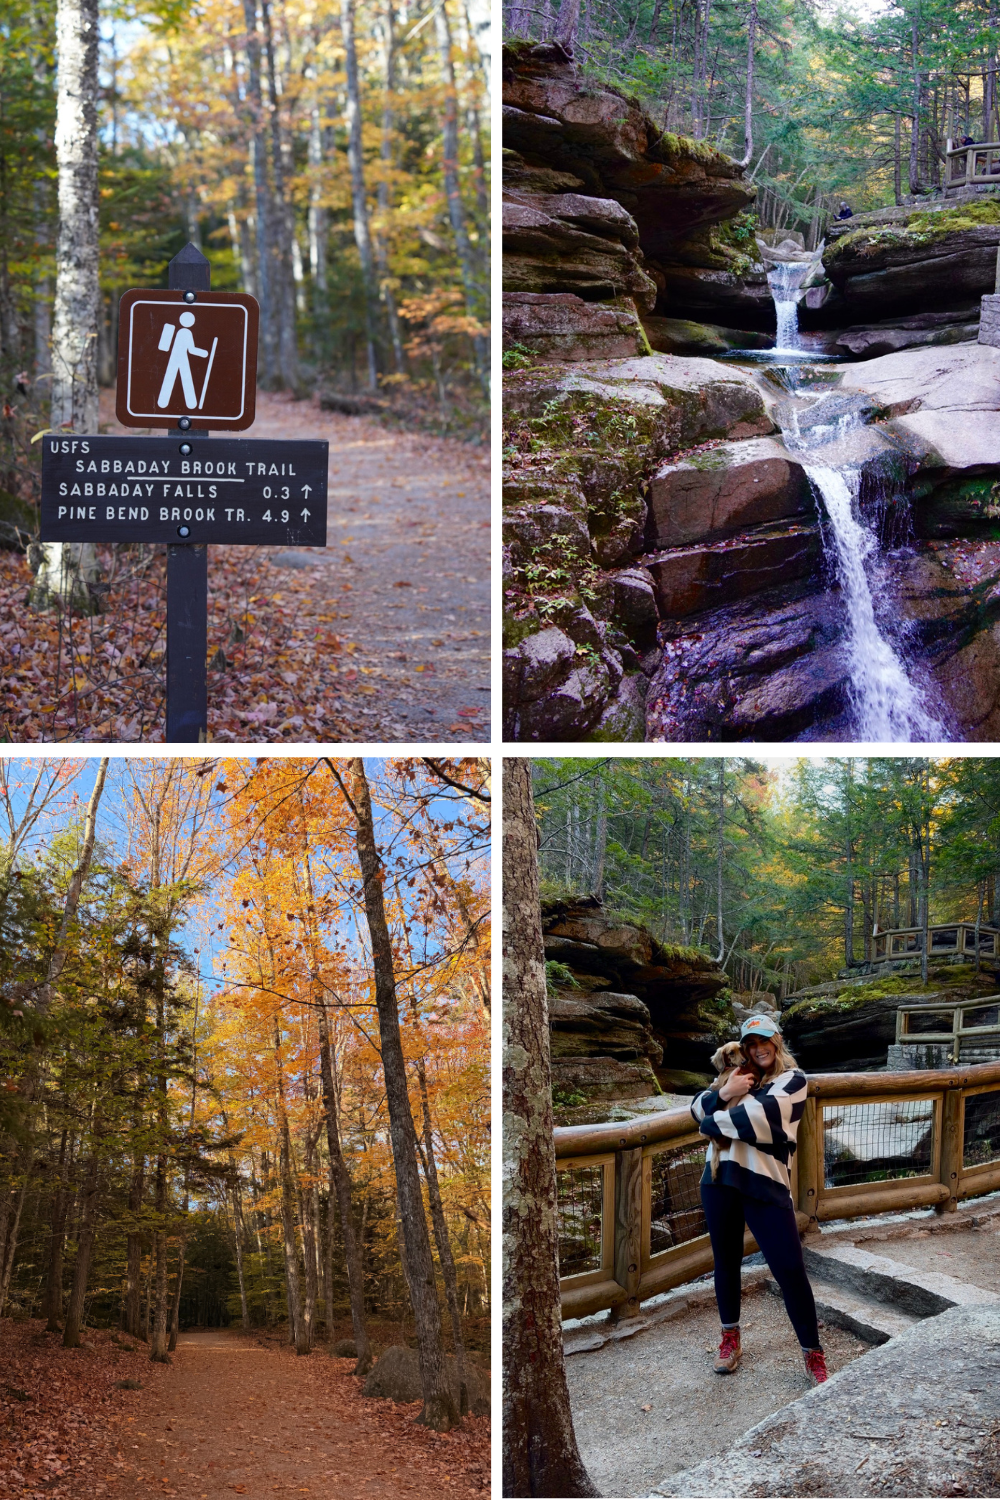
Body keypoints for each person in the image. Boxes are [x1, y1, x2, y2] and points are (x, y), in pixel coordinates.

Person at [690, 1013, 828, 1386]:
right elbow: (696, 1106)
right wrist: (723, 1094)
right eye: (750, 1044)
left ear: (776, 1041)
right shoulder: (734, 1078)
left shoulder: (792, 1080)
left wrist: (713, 1116)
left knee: (789, 1269)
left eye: (764, 1041)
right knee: (725, 1263)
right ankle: (729, 1338)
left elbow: (760, 1118)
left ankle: (813, 1353)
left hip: (765, 1182)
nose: (757, 1049)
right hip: (719, 1179)